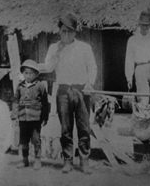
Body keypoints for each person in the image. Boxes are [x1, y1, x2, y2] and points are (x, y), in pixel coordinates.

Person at [41, 13, 97, 174]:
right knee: (65, 128)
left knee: (84, 128)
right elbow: (49, 68)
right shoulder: (54, 48)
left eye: (70, 31)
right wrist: (57, 52)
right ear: (59, 31)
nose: (66, 35)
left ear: (75, 32)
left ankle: (84, 161)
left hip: (81, 91)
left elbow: (93, 67)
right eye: (63, 31)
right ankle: (67, 161)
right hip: (63, 91)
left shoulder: (85, 48)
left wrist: (90, 83)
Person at [12, 59, 49, 170]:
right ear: (23, 74)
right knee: (23, 140)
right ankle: (25, 160)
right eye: (26, 73)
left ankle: (37, 160)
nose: (28, 75)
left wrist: (45, 117)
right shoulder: (20, 86)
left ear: (36, 74)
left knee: (36, 140)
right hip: (23, 118)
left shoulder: (40, 86)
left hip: (35, 119)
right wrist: (15, 113)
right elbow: (15, 101)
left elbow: (45, 102)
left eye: (31, 73)